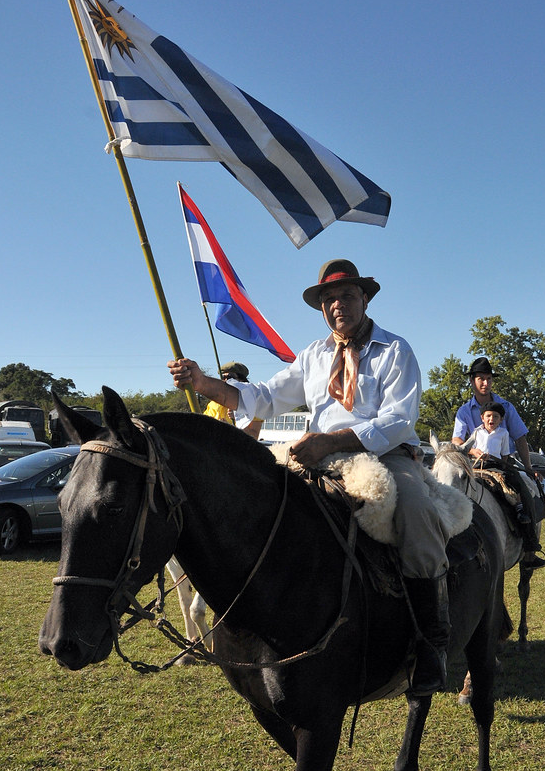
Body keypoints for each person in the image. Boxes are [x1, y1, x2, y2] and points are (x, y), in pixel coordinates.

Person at [169, 258, 452, 695]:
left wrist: (334, 440)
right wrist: (205, 383)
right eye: (329, 299)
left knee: (418, 514)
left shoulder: (396, 350)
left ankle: (432, 642)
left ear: (365, 298)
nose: (338, 305)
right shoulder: (315, 356)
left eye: (347, 295)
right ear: (322, 308)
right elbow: (264, 397)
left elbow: (399, 419)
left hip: (387, 455)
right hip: (316, 457)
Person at [452, 356, 545, 569]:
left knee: (524, 490)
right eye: (480, 379)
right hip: (474, 466)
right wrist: (472, 450)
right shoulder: (464, 411)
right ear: (472, 381)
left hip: (502, 464)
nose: (485, 383)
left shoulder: (506, 406)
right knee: (448, 491)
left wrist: (529, 468)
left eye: (488, 379)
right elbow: (456, 439)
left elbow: (520, 437)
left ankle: (530, 549)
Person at [203, 361, 263, 439]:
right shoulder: (214, 404)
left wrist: (237, 422)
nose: (226, 380)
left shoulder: (255, 404)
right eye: (223, 377)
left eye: (230, 377)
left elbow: (254, 436)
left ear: (242, 380)